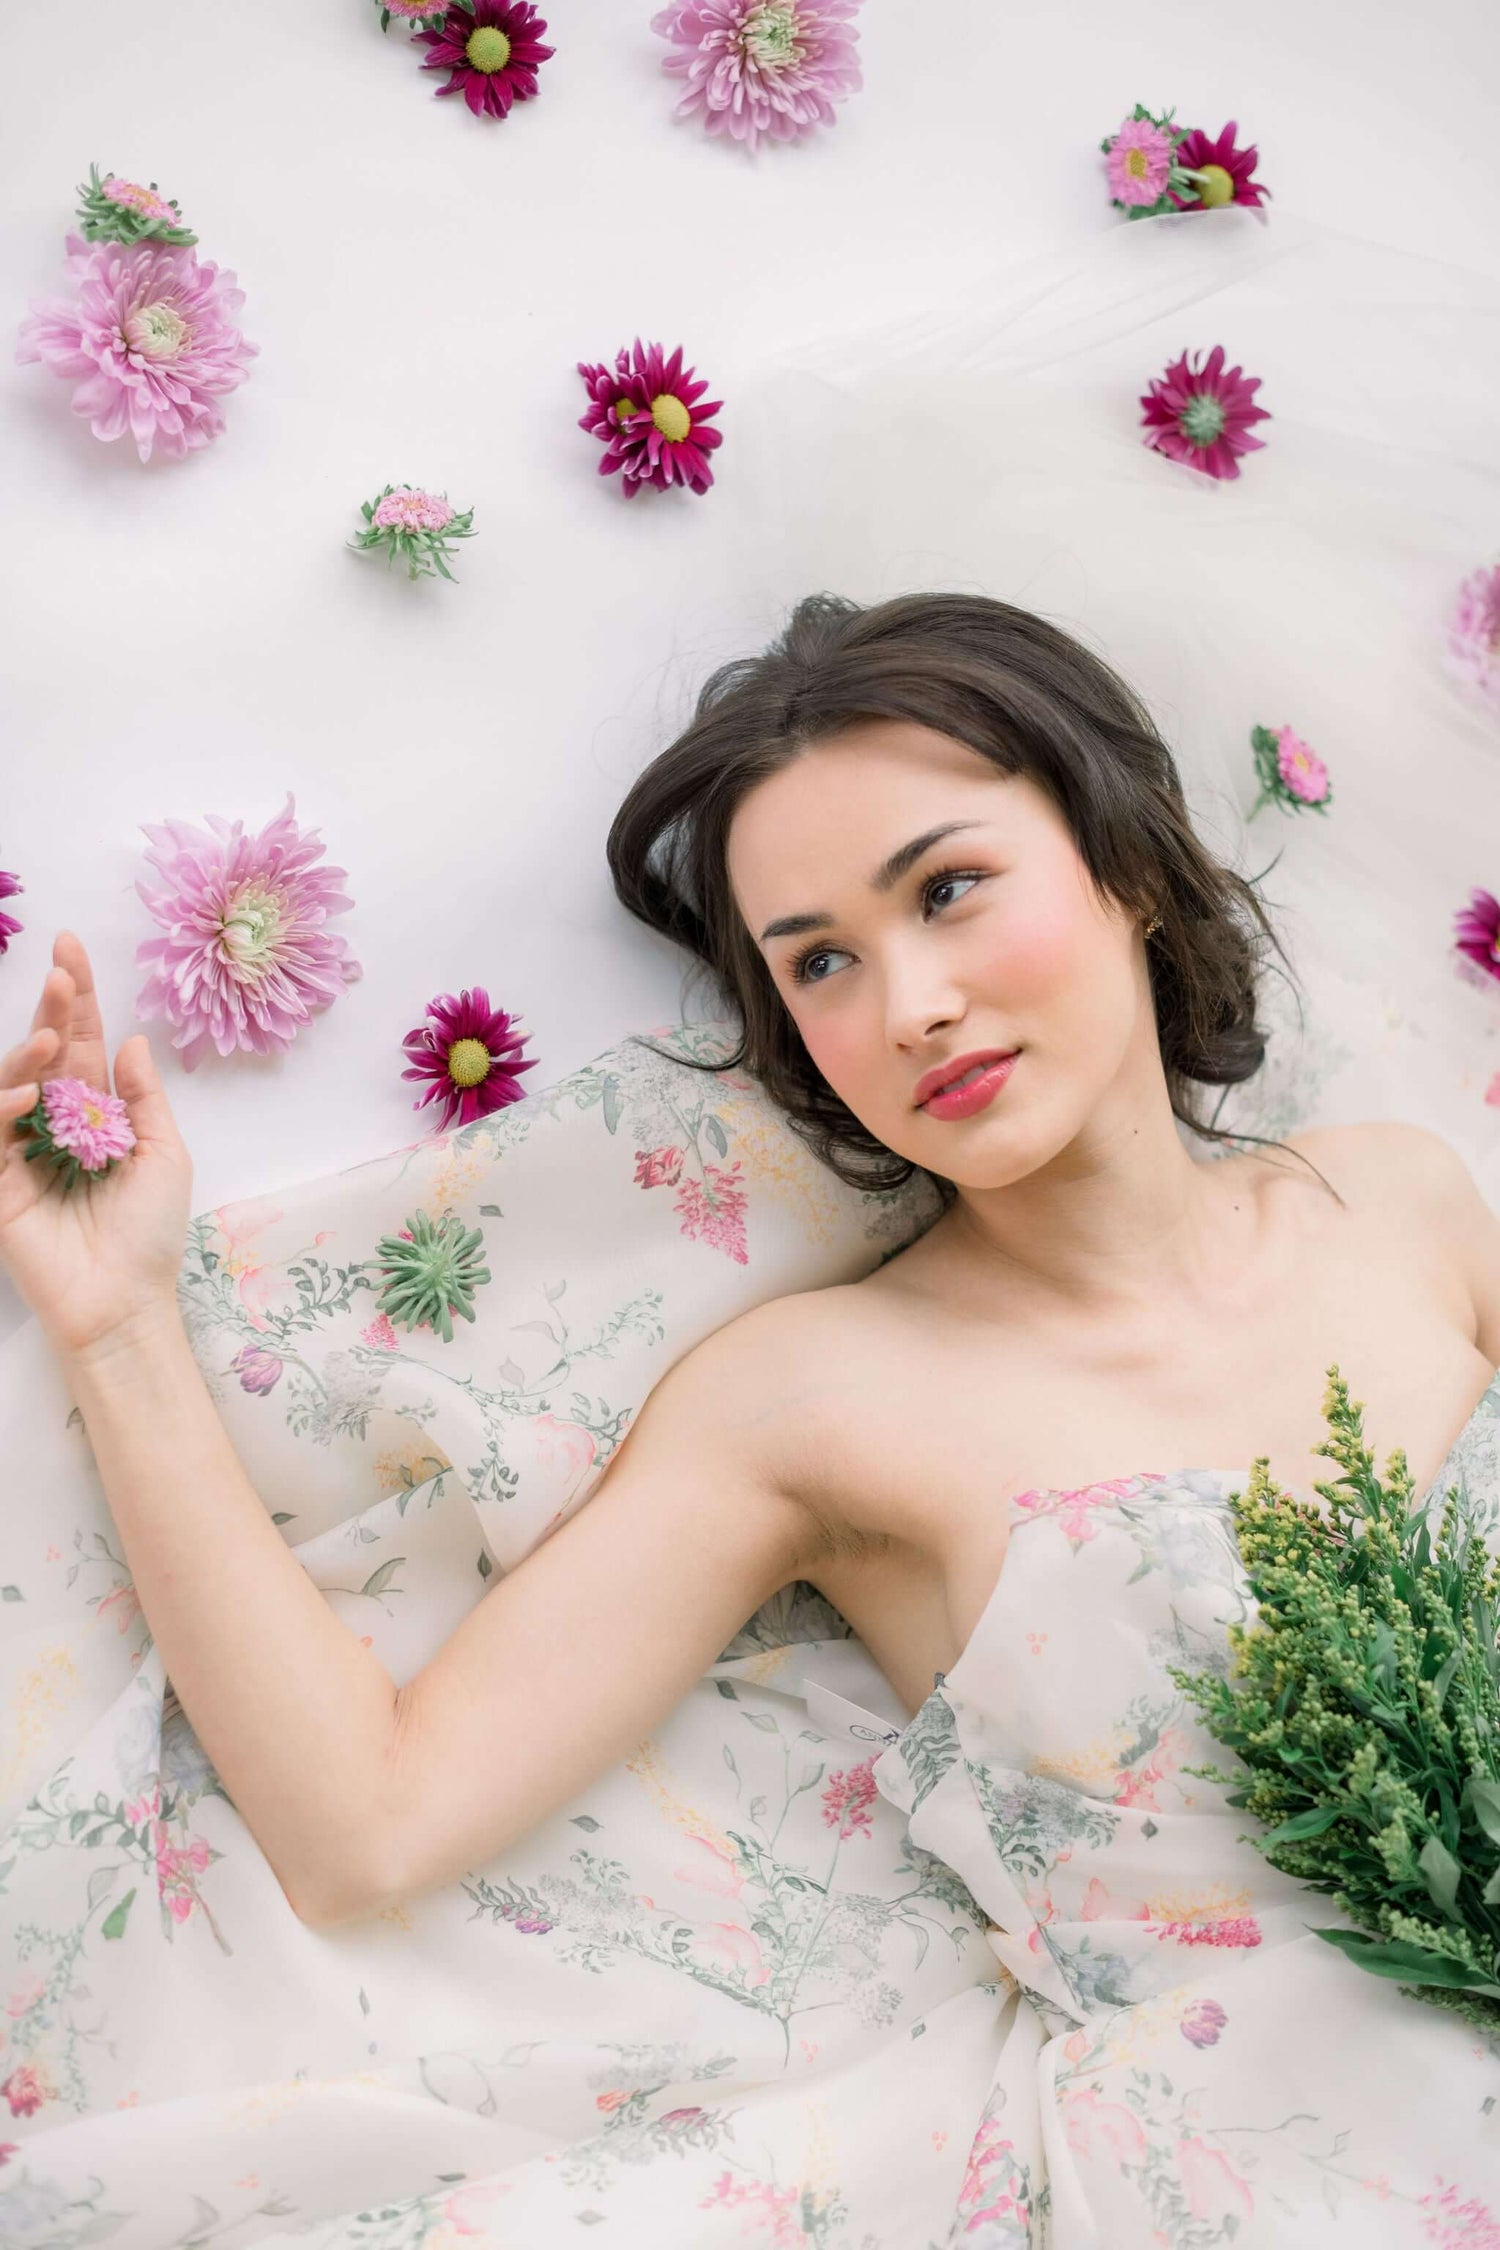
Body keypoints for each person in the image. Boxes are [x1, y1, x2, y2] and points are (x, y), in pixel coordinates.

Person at [2, 590, 1497, 2239]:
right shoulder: (819, 1400)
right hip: (1279, 2177)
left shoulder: (1407, 1203)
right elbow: (369, 1818)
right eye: (822, 962)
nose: (910, 1005)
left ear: (1125, 861)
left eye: (948, 888)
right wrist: (119, 1322)